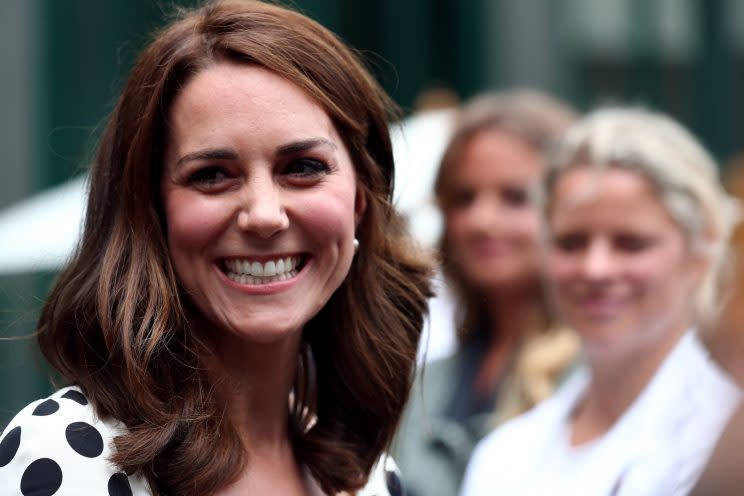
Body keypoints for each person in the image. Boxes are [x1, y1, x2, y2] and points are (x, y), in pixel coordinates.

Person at [0, 1, 432, 495]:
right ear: (153, 211)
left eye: (304, 167)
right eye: (212, 175)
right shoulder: (69, 453)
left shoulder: (366, 478)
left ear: (361, 197)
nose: (265, 215)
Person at [460, 107, 742, 496]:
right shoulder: (505, 453)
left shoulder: (723, 439)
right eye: (571, 242)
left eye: (631, 243)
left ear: (701, 250)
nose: (596, 269)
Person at [394, 90, 580, 496]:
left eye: (515, 197)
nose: (482, 219)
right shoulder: (423, 380)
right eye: (464, 198)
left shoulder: (599, 374)